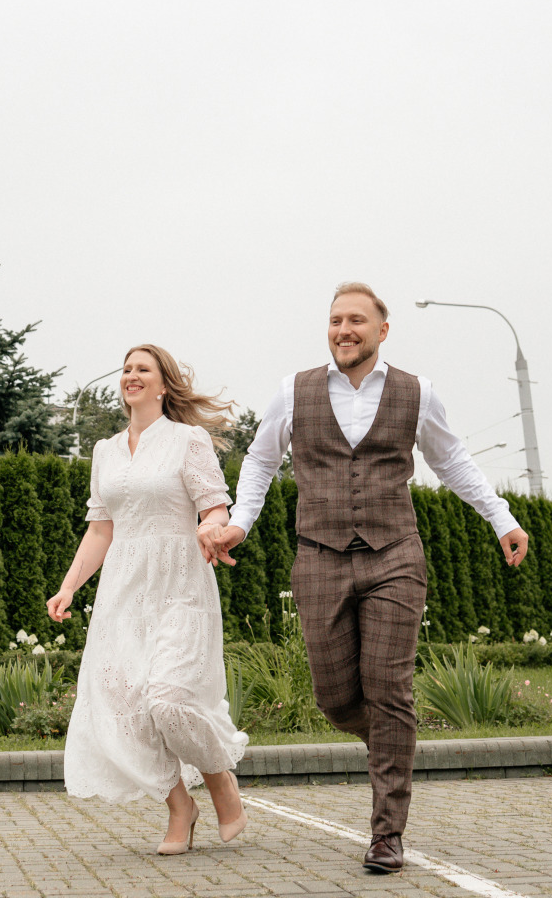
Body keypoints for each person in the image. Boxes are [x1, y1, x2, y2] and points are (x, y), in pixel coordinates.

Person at [201, 282, 529, 874]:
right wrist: (240, 522)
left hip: (394, 555)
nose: (343, 329)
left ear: (382, 330)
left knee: (390, 688)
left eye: (356, 320)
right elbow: (261, 460)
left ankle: (387, 834)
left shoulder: (416, 392)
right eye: (334, 320)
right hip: (319, 554)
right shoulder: (294, 391)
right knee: (335, 697)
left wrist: (500, 517)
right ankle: (388, 744)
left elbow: (450, 458)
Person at [49, 344, 250, 855]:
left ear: (163, 385)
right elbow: (100, 530)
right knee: (126, 706)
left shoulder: (188, 440)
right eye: (126, 369)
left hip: (181, 585)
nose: (131, 376)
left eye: (143, 369)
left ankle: (219, 779)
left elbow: (215, 508)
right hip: (123, 592)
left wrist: (211, 527)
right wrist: (69, 586)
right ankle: (179, 806)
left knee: (167, 699)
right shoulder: (105, 451)